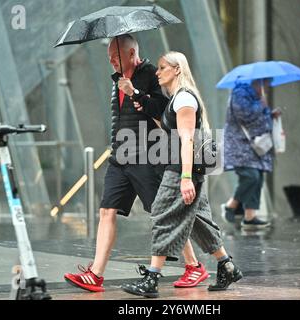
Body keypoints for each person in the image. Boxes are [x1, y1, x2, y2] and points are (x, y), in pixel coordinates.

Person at [64, 35, 208, 292]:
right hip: (120, 157)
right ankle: (95, 274)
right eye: (108, 57)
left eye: (115, 56)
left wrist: (135, 93)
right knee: (107, 210)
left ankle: (194, 265)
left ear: (132, 54)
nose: (110, 61)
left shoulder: (153, 75)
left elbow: (164, 111)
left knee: (163, 213)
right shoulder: (116, 81)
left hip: (146, 156)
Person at [121, 51, 242, 298]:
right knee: (199, 220)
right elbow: (170, 129)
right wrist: (137, 96)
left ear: (177, 69)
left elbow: (187, 140)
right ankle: (226, 265)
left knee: (162, 214)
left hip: (180, 170)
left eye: (163, 67)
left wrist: (185, 178)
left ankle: (152, 279)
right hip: (184, 169)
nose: (157, 71)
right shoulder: (177, 99)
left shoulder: (185, 99)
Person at [221, 78, 280, 230]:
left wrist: (270, 114)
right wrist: (260, 104)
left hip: (254, 146)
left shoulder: (256, 97)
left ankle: (250, 215)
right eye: (265, 84)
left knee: (258, 177)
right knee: (250, 176)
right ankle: (231, 204)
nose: (267, 87)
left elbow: (260, 118)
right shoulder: (240, 94)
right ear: (257, 83)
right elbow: (244, 115)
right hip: (239, 144)